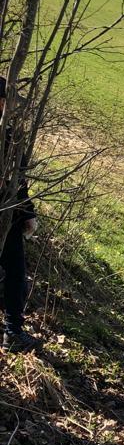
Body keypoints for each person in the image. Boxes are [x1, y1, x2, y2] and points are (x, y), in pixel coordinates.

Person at [0, 76, 38, 352]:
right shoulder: (10, 137)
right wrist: (27, 214)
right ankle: (12, 331)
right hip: (5, 216)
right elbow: (18, 183)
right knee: (14, 271)